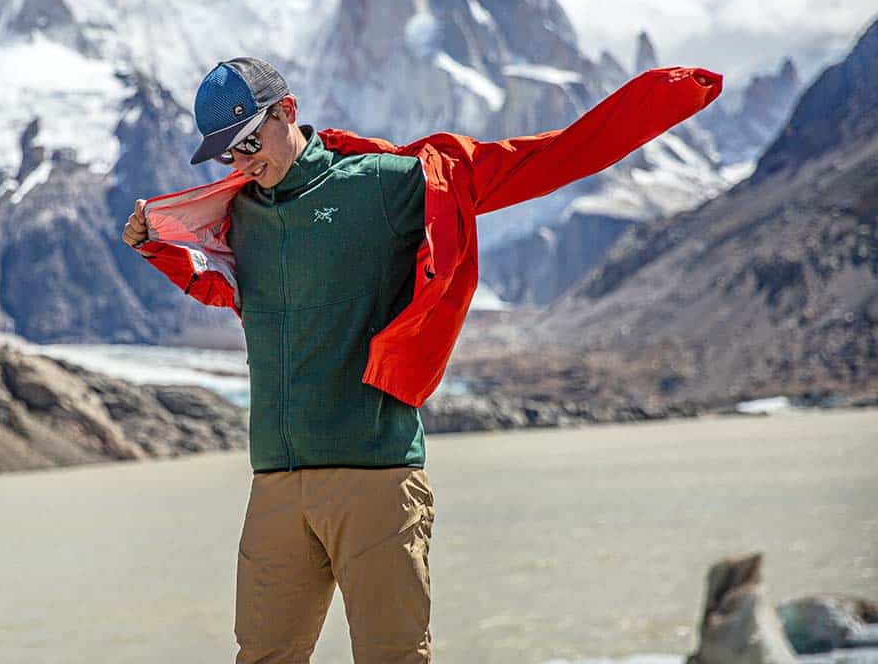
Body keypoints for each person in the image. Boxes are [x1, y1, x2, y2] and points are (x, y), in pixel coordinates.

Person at [121, 56, 723, 663]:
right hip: (276, 485)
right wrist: (159, 249)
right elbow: (229, 292)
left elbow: (540, 161)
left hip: (375, 479)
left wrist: (663, 99)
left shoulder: (381, 184)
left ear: (288, 113)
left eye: (250, 139)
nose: (244, 161)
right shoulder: (240, 216)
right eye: (228, 153)